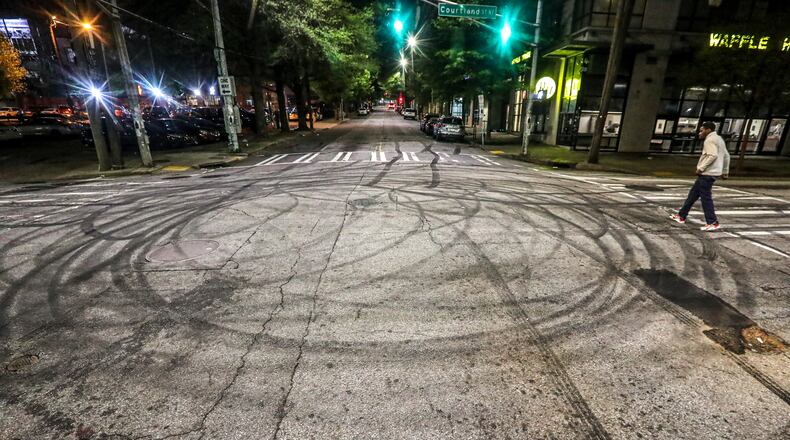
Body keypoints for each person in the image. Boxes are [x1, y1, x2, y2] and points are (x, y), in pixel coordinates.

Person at [670, 121, 730, 231]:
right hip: (713, 173)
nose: (700, 133)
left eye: (702, 130)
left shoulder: (710, 140)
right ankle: (681, 216)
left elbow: (712, 155)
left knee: (706, 198)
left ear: (708, 130)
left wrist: (701, 168)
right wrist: (725, 171)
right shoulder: (719, 139)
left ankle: (712, 222)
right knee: (693, 194)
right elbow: (726, 156)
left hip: (707, 173)